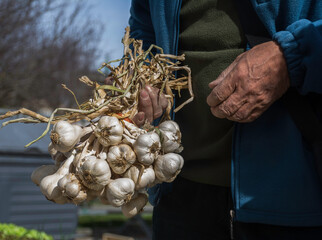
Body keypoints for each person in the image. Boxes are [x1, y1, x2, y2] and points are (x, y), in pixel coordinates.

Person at [128, 0, 322, 239]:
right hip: (179, 194)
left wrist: (289, 56)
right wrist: (141, 73)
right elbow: (144, 30)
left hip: (296, 197)